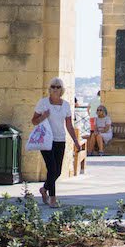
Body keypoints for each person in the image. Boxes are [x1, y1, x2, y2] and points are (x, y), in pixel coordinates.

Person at [31, 77, 80, 208]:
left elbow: (69, 125)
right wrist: (43, 116)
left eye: (58, 87)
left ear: (62, 90)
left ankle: (44, 189)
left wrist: (75, 141)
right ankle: (52, 198)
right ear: (50, 88)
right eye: (53, 86)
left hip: (60, 139)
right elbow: (34, 121)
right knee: (51, 168)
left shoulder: (65, 105)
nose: (55, 89)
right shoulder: (43, 103)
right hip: (46, 140)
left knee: (57, 171)